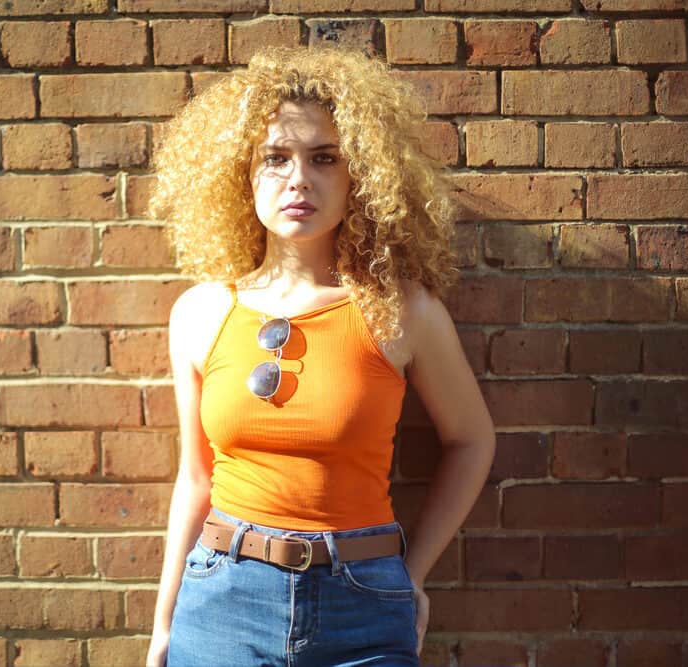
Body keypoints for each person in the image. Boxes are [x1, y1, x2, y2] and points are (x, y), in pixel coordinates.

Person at [144, 45, 496, 667]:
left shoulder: (402, 311)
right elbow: (195, 477)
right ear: (240, 174)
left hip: (362, 600)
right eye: (275, 158)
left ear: (359, 173)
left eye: (324, 158)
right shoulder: (199, 313)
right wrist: (165, 618)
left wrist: (411, 575)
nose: (298, 179)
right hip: (223, 599)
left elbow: (471, 441)